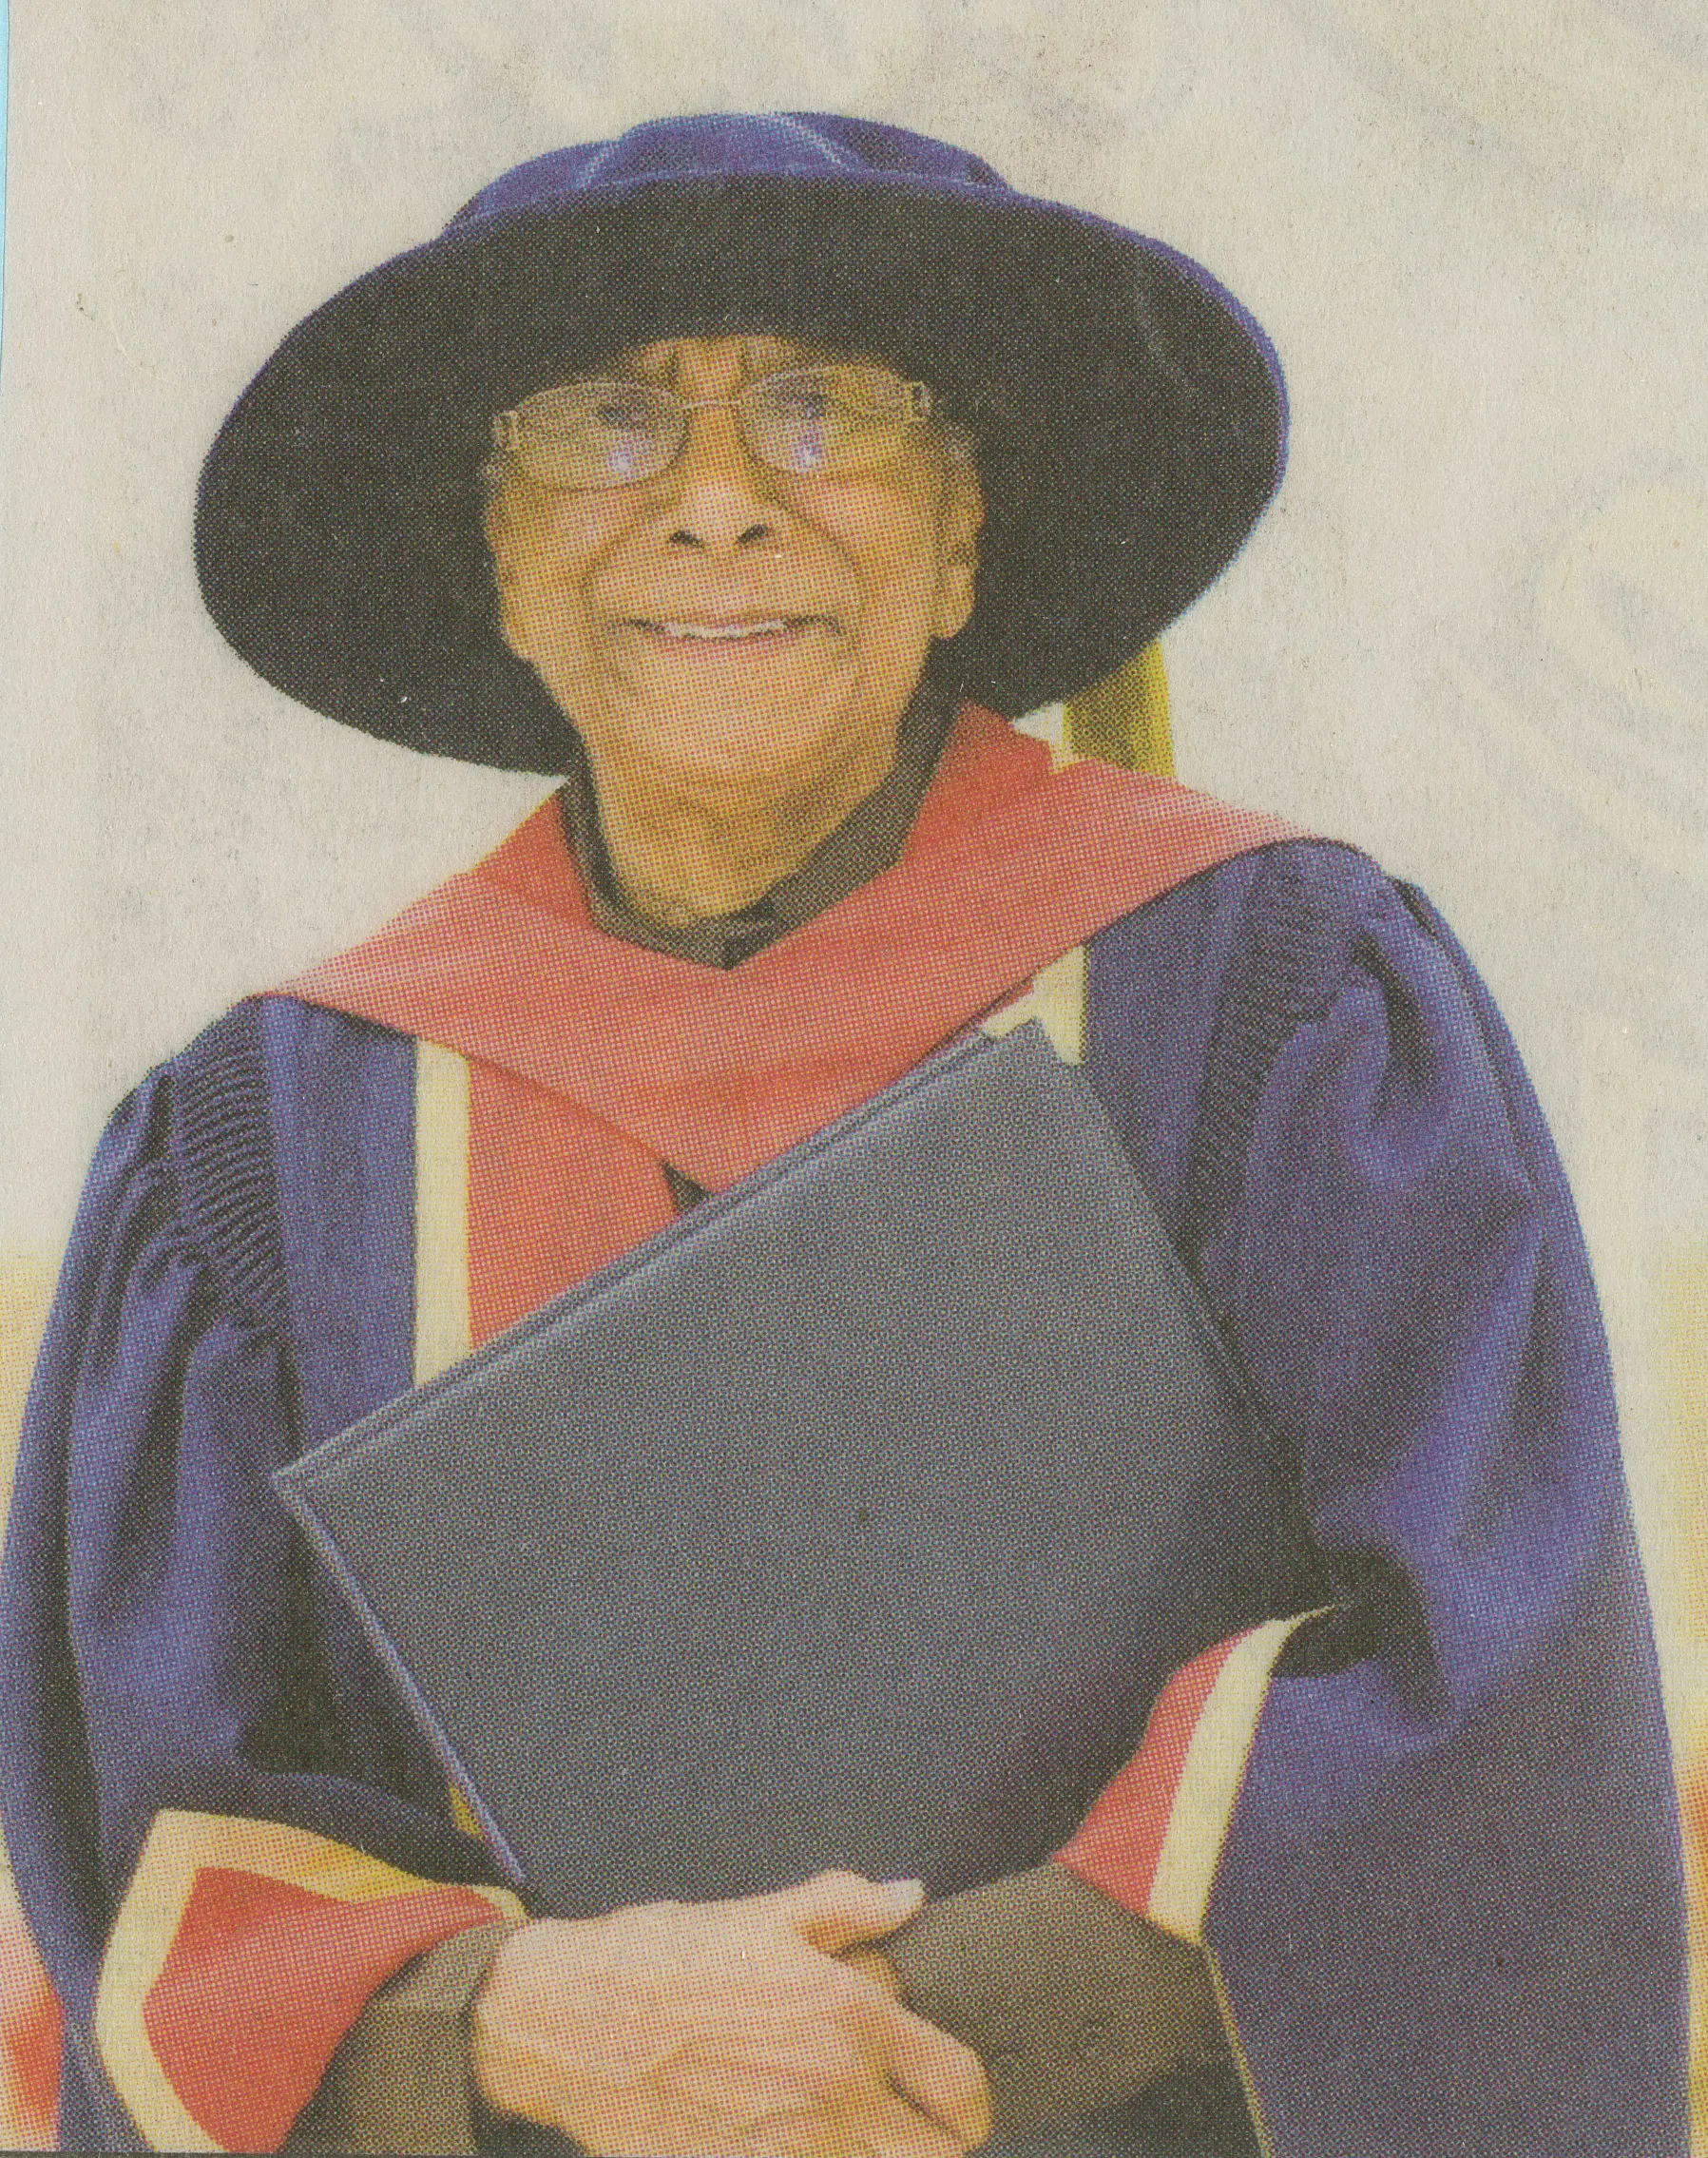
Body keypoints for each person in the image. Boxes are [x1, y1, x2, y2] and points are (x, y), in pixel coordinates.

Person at [0, 111, 1687, 2158]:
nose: (718, 504)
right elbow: (154, 1859)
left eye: (823, 411)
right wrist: (519, 2019)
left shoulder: (1274, 997)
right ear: (503, 565)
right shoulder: (272, 1142)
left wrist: (874, 2035)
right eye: (605, 424)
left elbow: (1485, 1698)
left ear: (963, 538)